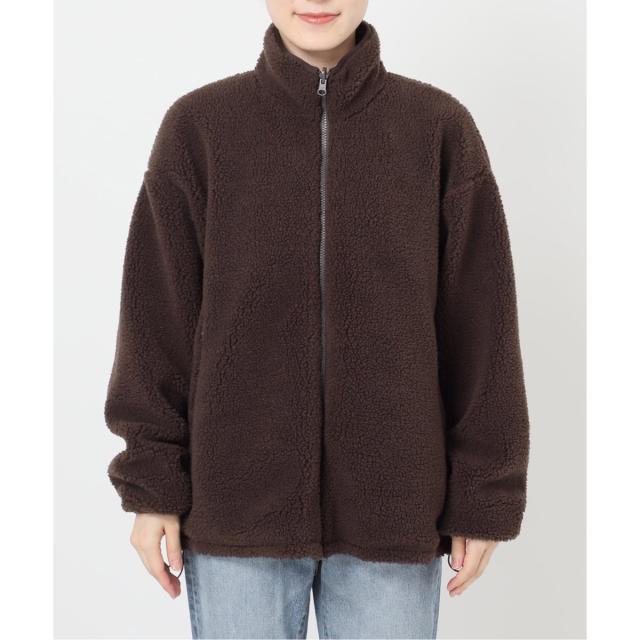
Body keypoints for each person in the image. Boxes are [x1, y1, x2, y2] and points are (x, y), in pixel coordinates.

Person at [104, 1, 531, 638]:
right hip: (235, 509)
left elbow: (482, 328)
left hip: (394, 510)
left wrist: (483, 495)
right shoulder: (201, 127)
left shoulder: (437, 127)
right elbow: (156, 323)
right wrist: (153, 486)